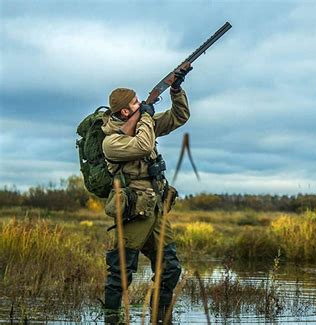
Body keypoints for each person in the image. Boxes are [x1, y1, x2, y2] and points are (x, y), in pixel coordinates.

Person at [101, 67, 192, 323]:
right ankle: (112, 319)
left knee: (170, 267)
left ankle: (159, 317)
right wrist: (147, 118)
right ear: (125, 112)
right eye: (134, 102)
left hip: (156, 208)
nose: (140, 103)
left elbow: (179, 116)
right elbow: (143, 144)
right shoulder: (111, 141)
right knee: (121, 270)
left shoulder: (143, 123)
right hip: (133, 209)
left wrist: (176, 90)